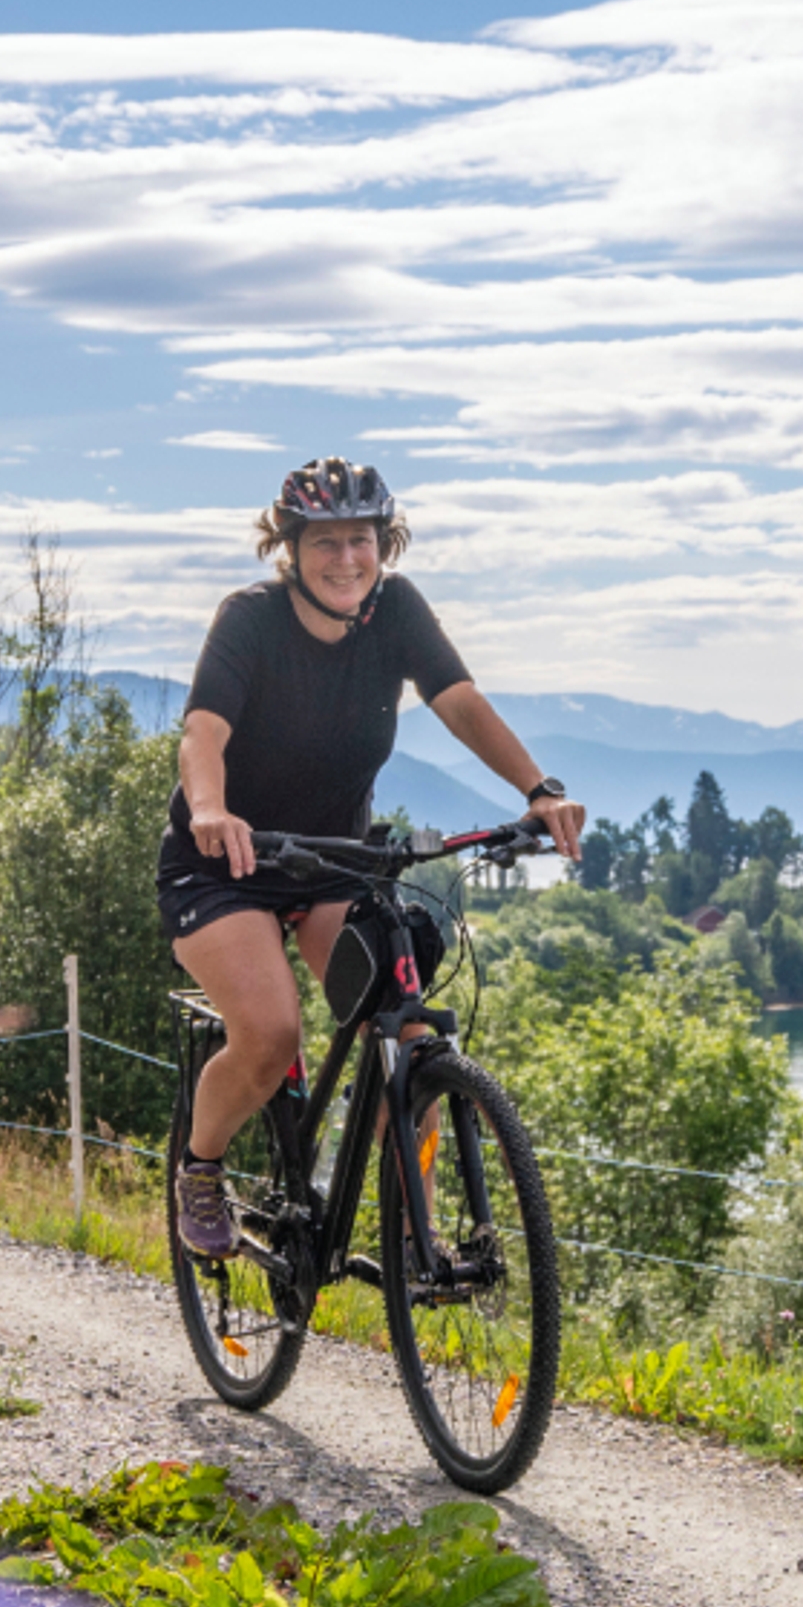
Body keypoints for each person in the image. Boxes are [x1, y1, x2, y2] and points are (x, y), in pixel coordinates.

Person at [163, 459, 588, 1256]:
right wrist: (212, 809)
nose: (346, 558)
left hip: (330, 862)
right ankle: (201, 1168)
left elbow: (459, 701)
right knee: (271, 1033)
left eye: (361, 539)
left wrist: (540, 788)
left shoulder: (396, 611)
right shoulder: (249, 619)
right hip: (224, 866)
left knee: (407, 1029)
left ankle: (410, 1253)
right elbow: (204, 732)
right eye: (325, 541)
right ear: (290, 548)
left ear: (384, 545)